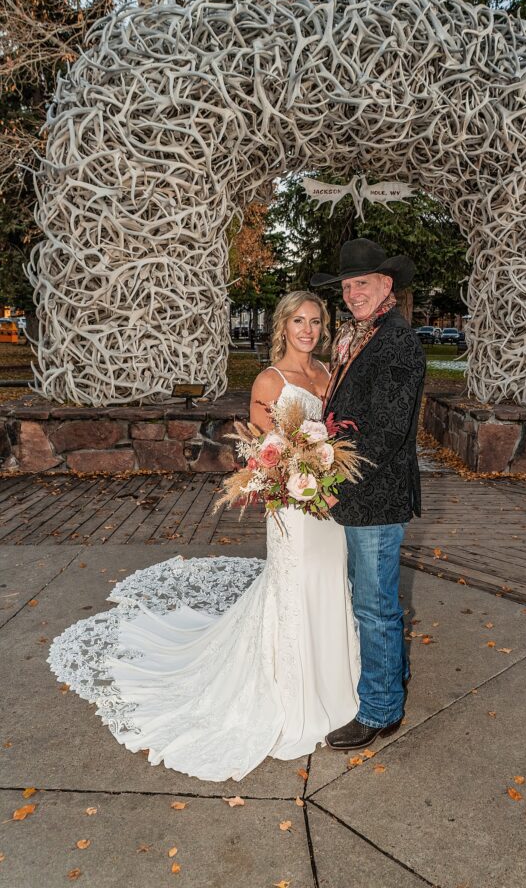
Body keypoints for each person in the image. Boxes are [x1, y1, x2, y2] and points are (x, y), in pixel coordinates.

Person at [48, 290, 360, 782]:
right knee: (297, 588)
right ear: (283, 325)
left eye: (316, 321)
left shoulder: (326, 373)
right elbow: (264, 451)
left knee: (330, 580)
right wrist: (300, 479)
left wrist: (331, 474)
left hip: (331, 504)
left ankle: (336, 684)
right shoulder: (270, 379)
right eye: (299, 321)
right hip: (296, 508)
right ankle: (294, 696)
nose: (308, 330)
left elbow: (339, 435)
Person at [311, 238, 425, 750]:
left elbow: (386, 433)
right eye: (347, 286)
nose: (352, 293)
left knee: (374, 608)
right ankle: (392, 679)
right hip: (363, 496)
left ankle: (380, 710)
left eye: (362, 283)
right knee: (371, 599)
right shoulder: (362, 336)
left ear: (386, 285)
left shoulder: (396, 341)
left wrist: (336, 488)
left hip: (375, 498)